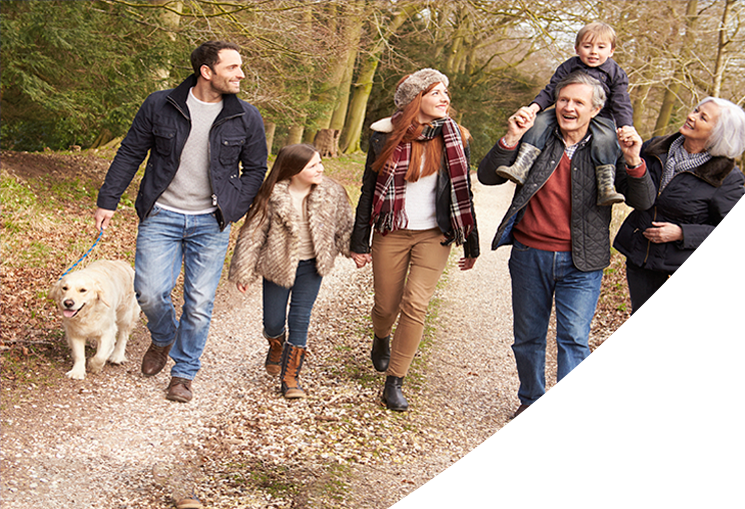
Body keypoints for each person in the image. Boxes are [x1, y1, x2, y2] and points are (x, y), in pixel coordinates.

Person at [93, 40, 268, 403]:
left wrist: (233, 208)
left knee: (199, 302)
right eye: (232, 67)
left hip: (211, 221)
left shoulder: (246, 116)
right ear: (206, 71)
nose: (241, 74)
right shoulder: (161, 104)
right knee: (149, 292)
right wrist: (108, 200)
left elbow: (255, 169)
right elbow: (130, 151)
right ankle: (163, 336)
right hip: (162, 214)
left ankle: (183, 373)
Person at [478, 71, 656, 419]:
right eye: (563, 100)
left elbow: (644, 200)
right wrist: (511, 136)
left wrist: (634, 160)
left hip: (583, 261)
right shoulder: (537, 137)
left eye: (578, 102)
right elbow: (487, 176)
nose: (568, 108)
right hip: (529, 254)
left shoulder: (609, 148)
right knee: (528, 337)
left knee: (573, 338)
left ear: (595, 110)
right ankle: (530, 398)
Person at [350, 68, 480, 412]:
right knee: (386, 307)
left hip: (434, 235)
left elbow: (463, 192)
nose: (444, 98)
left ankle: (395, 380)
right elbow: (368, 190)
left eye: (445, 93)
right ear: (414, 99)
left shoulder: (456, 137)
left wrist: (471, 244)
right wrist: (359, 242)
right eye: (435, 92)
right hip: (391, 232)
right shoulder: (384, 136)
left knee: (416, 304)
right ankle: (381, 337)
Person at [227, 144, 355, 398]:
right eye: (313, 165)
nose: (321, 169)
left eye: (320, 163)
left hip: (311, 266)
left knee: (300, 317)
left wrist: (356, 251)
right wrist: (244, 270)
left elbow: (344, 227)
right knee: (273, 322)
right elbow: (253, 234)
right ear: (294, 170)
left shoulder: (331, 192)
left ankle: (291, 378)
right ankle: (276, 343)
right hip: (279, 265)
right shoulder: (272, 195)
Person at [613, 96, 745, 315]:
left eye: (703, 117)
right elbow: (628, 191)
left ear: (718, 134)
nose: (692, 116)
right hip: (642, 255)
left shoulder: (727, 177)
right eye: (695, 110)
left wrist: (682, 233)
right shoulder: (653, 148)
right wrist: (631, 160)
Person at [496, 21, 632, 206]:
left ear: (611, 51)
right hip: (563, 109)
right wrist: (535, 107)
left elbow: (621, 102)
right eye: (587, 46)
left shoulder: (616, 73)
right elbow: (551, 89)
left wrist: (625, 126)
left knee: (607, 138)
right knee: (539, 122)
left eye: (601, 47)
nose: (593, 52)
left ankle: (606, 185)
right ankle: (522, 165)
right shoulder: (569, 66)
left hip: (601, 115)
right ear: (577, 48)